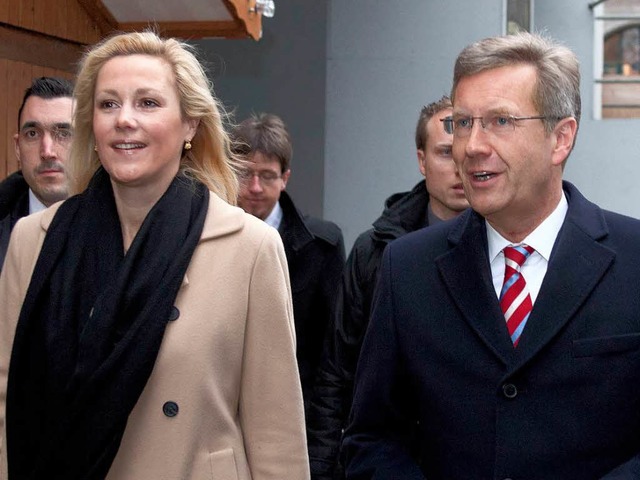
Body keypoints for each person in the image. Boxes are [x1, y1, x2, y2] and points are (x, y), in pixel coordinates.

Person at [0, 31, 309, 480]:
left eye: (147, 103)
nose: (124, 119)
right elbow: (8, 403)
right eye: (108, 104)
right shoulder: (36, 241)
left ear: (190, 125)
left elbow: (276, 434)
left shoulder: (250, 247)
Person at [342, 31, 640, 480]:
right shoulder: (407, 268)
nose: (473, 146)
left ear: (560, 138)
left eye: (500, 121)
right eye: (463, 123)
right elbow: (372, 438)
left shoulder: (633, 259)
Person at [306, 96, 469, 479]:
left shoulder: (510, 250)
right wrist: (321, 469)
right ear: (422, 160)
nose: (460, 165)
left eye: (465, 150)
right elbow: (337, 372)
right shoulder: (376, 250)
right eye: (445, 152)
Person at [232, 113, 346, 405]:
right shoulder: (205, 237)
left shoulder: (321, 245)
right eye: (246, 174)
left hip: (296, 408)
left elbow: (332, 352)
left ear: (285, 178)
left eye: (267, 176)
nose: (255, 187)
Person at [0, 76, 73, 271]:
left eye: (64, 134)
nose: (47, 151)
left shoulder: (124, 224)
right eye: (33, 134)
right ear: (17, 147)